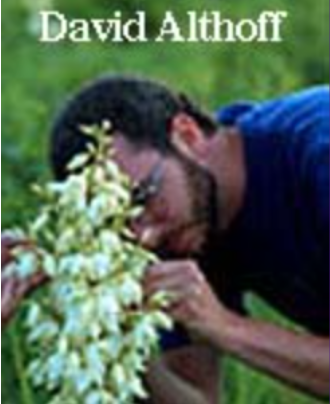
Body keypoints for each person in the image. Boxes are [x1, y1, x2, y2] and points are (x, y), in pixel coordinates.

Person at [4, 76, 329, 403]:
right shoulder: (181, 222)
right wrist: (108, 329)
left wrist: (226, 327)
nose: (145, 236)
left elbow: (220, 328)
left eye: (143, 197)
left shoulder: (317, 150)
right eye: (116, 223)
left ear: (187, 135)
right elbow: (198, 398)